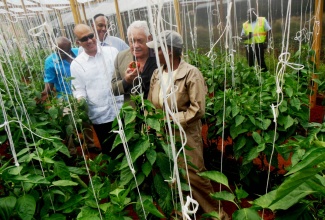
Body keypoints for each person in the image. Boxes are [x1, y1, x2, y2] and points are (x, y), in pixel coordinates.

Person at [146, 30, 229, 220]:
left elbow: (197, 109)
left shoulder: (191, 73)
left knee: (194, 175)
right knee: (170, 172)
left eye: (157, 49)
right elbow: (151, 102)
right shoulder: (157, 73)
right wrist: (150, 120)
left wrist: (169, 120)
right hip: (162, 134)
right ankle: (183, 211)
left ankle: (218, 214)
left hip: (185, 134)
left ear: (169, 51)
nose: (154, 53)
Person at [71, 24, 122, 157]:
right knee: (110, 150)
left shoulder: (112, 52)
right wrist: (80, 100)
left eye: (90, 36)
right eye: (84, 39)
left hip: (122, 109)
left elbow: (122, 76)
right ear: (78, 42)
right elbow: (78, 88)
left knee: (129, 145)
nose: (89, 41)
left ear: (94, 34)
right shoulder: (77, 64)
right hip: (100, 115)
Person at [39, 37, 97, 155]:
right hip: (63, 96)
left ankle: (90, 145)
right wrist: (43, 95)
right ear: (56, 50)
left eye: (66, 50)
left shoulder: (78, 53)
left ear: (70, 48)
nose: (63, 54)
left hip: (81, 94)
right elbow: (49, 82)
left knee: (86, 120)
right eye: (60, 51)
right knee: (68, 124)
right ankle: (72, 151)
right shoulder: (51, 61)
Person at [111, 20, 157, 103]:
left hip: (158, 113)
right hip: (134, 113)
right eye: (132, 41)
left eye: (140, 41)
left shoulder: (159, 56)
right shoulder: (121, 58)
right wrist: (126, 81)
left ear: (149, 38)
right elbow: (113, 89)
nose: (135, 45)